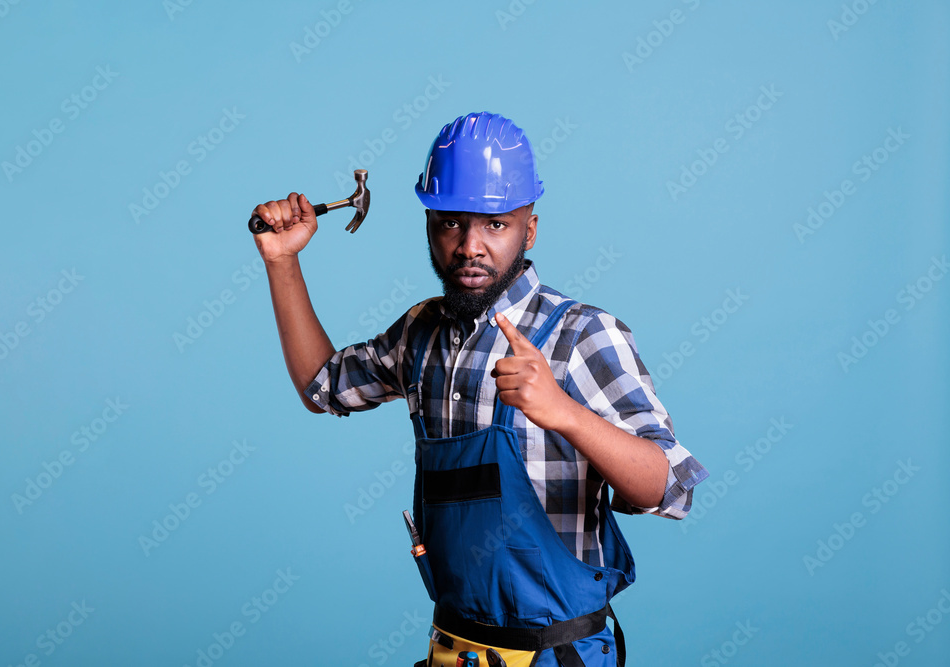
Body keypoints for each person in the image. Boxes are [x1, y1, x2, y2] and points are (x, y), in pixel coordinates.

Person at [250, 111, 708, 667]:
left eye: (495, 224)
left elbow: (670, 487)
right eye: (451, 223)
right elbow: (322, 387)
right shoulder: (420, 333)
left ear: (529, 228)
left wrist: (563, 412)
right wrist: (282, 261)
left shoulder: (581, 335)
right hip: (452, 651)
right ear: (428, 225)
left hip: (556, 657)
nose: (470, 245)